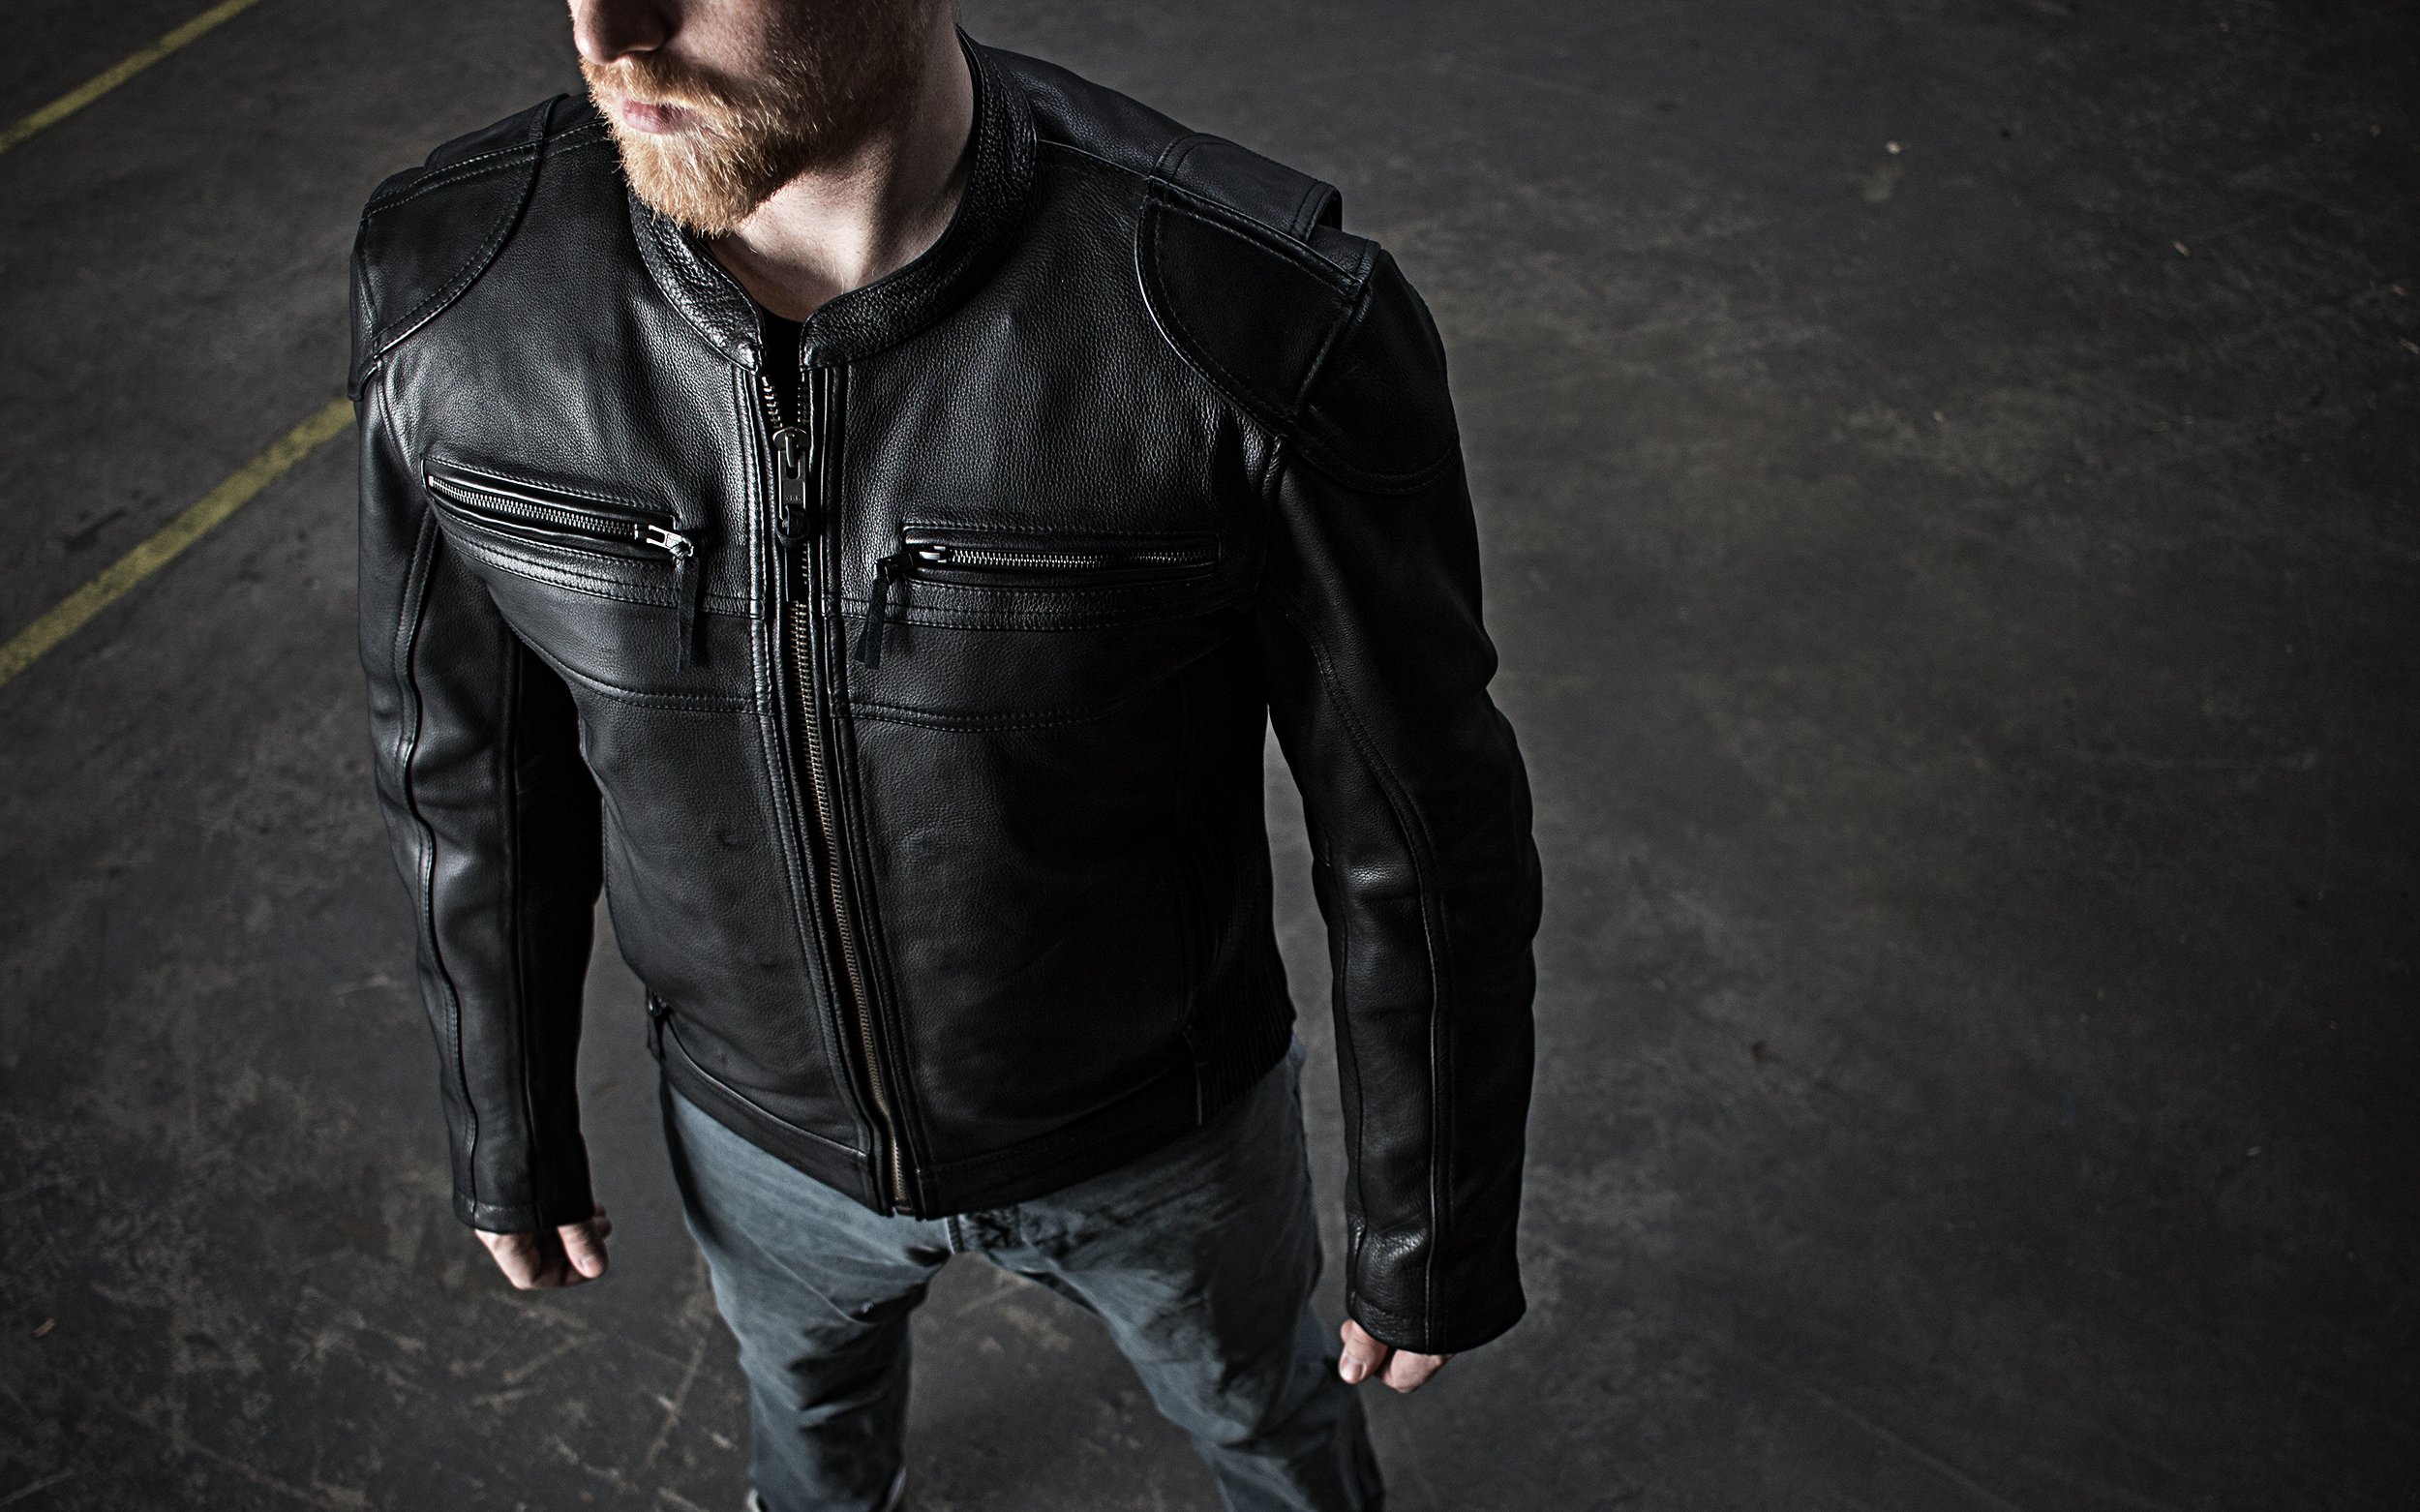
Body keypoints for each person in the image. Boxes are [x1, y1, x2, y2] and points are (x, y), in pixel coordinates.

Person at [349, 0, 1541, 1507]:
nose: (609, 28)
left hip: (1157, 1143)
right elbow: (464, 770)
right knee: (809, 1426)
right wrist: (505, 1117)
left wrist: (1430, 1219)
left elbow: (1421, 829)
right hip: (756, 1137)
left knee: (1267, 1417)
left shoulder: (1250, 322)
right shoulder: (454, 290)